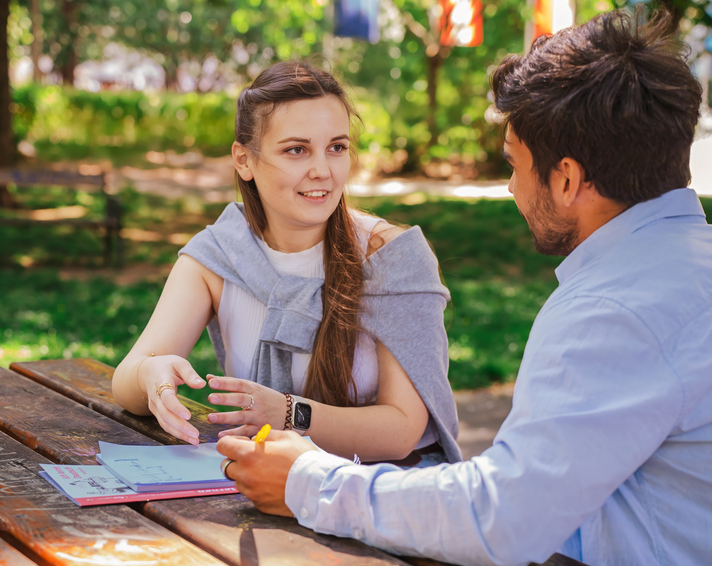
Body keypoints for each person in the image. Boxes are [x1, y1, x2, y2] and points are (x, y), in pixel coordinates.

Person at [218, 11, 712, 566]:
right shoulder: (694, 271)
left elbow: (505, 518)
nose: (514, 190)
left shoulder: (615, 309)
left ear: (567, 179)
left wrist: (307, 478)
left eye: (516, 167)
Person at [112, 60, 460, 469]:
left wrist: (288, 414)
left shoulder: (392, 258)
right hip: (267, 489)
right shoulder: (220, 255)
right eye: (297, 150)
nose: (322, 171)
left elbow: (401, 433)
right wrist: (150, 376)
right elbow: (126, 380)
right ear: (244, 160)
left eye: (337, 147)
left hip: (384, 490)